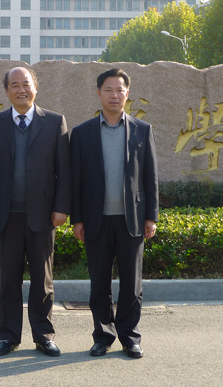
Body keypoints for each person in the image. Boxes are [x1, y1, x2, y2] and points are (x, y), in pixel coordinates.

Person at [0, 67, 72, 357]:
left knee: (42, 279)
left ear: (35, 87)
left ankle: (44, 335)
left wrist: (62, 208)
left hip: (43, 214)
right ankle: (8, 336)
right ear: (6, 91)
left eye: (26, 84)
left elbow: (64, 170)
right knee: (9, 279)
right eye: (15, 85)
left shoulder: (54, 122)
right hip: (6, 214)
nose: (21, 89)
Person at [70, 68, 159, 359]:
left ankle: (130, 337)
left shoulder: (142, 130)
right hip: (95, 219)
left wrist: (151, 216)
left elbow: (150, 177)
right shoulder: (82, 133)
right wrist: (77, 219)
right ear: (99, 94)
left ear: (127, 94)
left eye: (119, 90)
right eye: (108, 90)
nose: (114, 95)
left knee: (132, 284)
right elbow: (75, 180)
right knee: (99, 283)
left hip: (131, 219)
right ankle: (103, 336)